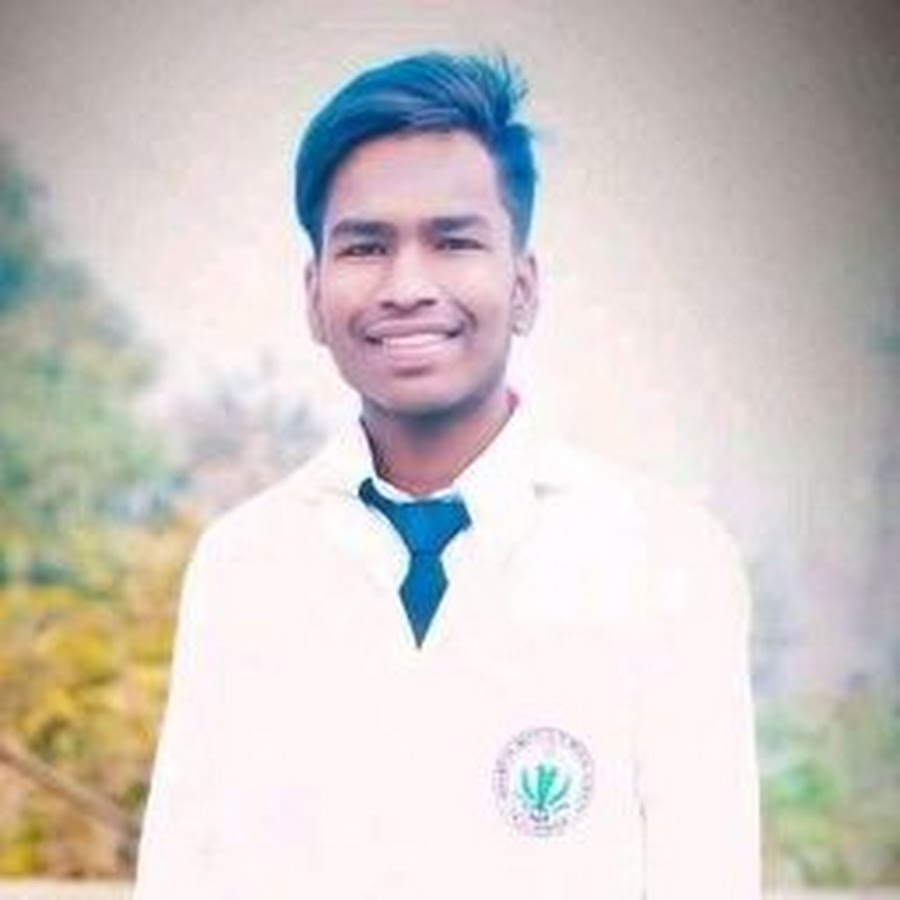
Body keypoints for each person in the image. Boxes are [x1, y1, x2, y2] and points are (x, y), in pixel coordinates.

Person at [134, 51, 760, 899]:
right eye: (366, 246)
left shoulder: (668, 560)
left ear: (524, 286)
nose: (407, 287)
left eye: (454, 241)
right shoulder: (243, 567)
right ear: (314, 295)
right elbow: (183, 874)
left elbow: (708, 873)